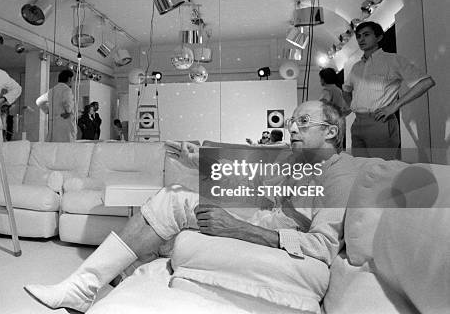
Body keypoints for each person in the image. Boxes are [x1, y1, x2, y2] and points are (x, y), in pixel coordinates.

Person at [24, 100, 357, 312]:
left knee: (172, 204)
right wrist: (199, 163)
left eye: (303, 122)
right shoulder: (294, 162)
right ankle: (91, 285)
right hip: (260, 219)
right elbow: (245, 189)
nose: (292, 127)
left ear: (330, 131)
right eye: (292, 121)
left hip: (271, 237)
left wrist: (238, 228)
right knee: (172, 197)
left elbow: (322, 246)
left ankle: (86, 287)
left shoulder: (339, 176)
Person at [342, 21, 435, 159]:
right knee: (360, 168)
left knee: (381, 169)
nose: (361, 39)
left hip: (380, 122)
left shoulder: (392, 60)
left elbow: (426, 82)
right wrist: (352, 106)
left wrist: (395, 106)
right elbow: (346, 89)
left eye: (366, 35)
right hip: (358, 123)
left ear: (379, 37)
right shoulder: (356, 67)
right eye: (359, 36)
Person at [36, 69, 76, 142]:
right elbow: (68, 106)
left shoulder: (51, 91)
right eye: (72, 79)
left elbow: (39, 101)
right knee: (66, 147)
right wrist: (68, 111)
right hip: (65, 125)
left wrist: (47, 110)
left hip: (53, 125)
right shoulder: (67, 90)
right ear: (69, 79)